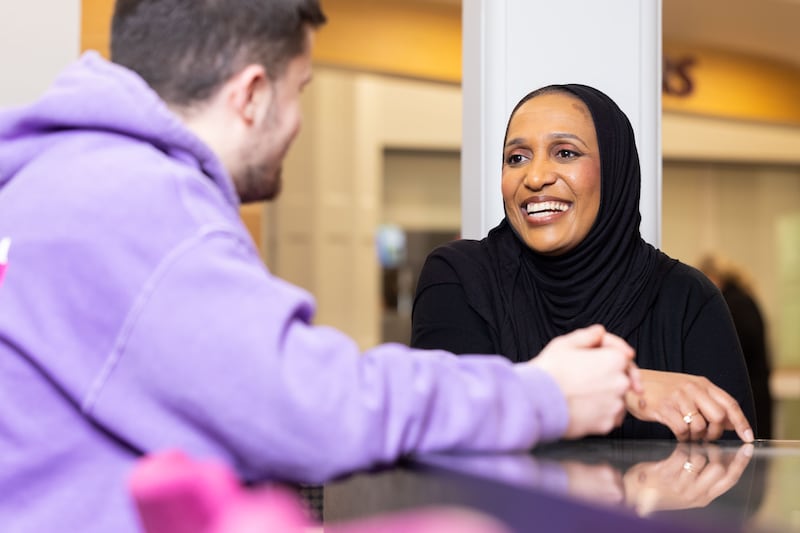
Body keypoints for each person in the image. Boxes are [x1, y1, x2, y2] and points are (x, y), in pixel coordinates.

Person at [0, 2, 642, 532]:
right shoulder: (138, 202)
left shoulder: (55, 183)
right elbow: (316, 406)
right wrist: (543, 395)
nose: (299, 123)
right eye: (299, 91)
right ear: (251, 94)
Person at [411, 83, 756, 443]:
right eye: (517, 158)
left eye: (565, 153)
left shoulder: (687, 298)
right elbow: (444, 430)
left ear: (615, 169)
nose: (535, 177)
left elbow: (736, 472)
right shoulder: (459, 278)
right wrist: (628, 386)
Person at [699, 254, 774, 439]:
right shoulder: (744, 299)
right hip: (756, 387)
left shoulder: (733, 303)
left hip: (747, 389)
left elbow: (733, 346)